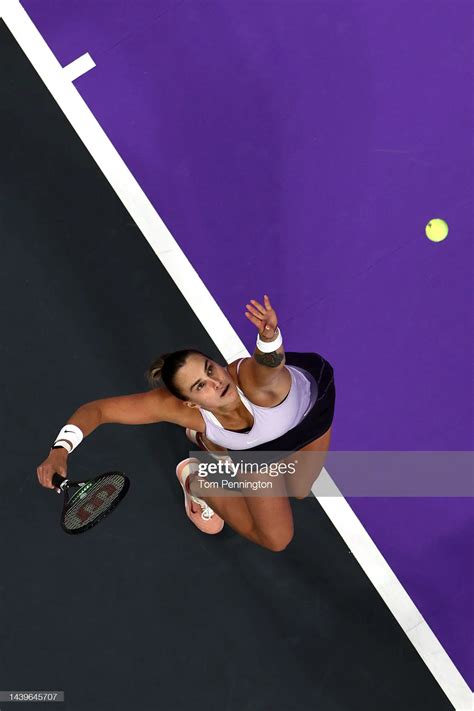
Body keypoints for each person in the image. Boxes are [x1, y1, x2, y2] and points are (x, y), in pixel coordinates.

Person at [37, 295, 335, 552]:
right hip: (254, 450)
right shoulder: (178, 409)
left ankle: (211, 442)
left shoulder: (257, 384)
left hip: (307, 417)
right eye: (200, 386)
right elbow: (99, 411)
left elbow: (270, 365)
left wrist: (269, 340)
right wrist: (60, 449)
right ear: (190, 403)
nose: (216, 382)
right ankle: (199, 481)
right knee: (277, 539)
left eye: (210, 369)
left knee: (298, 486)